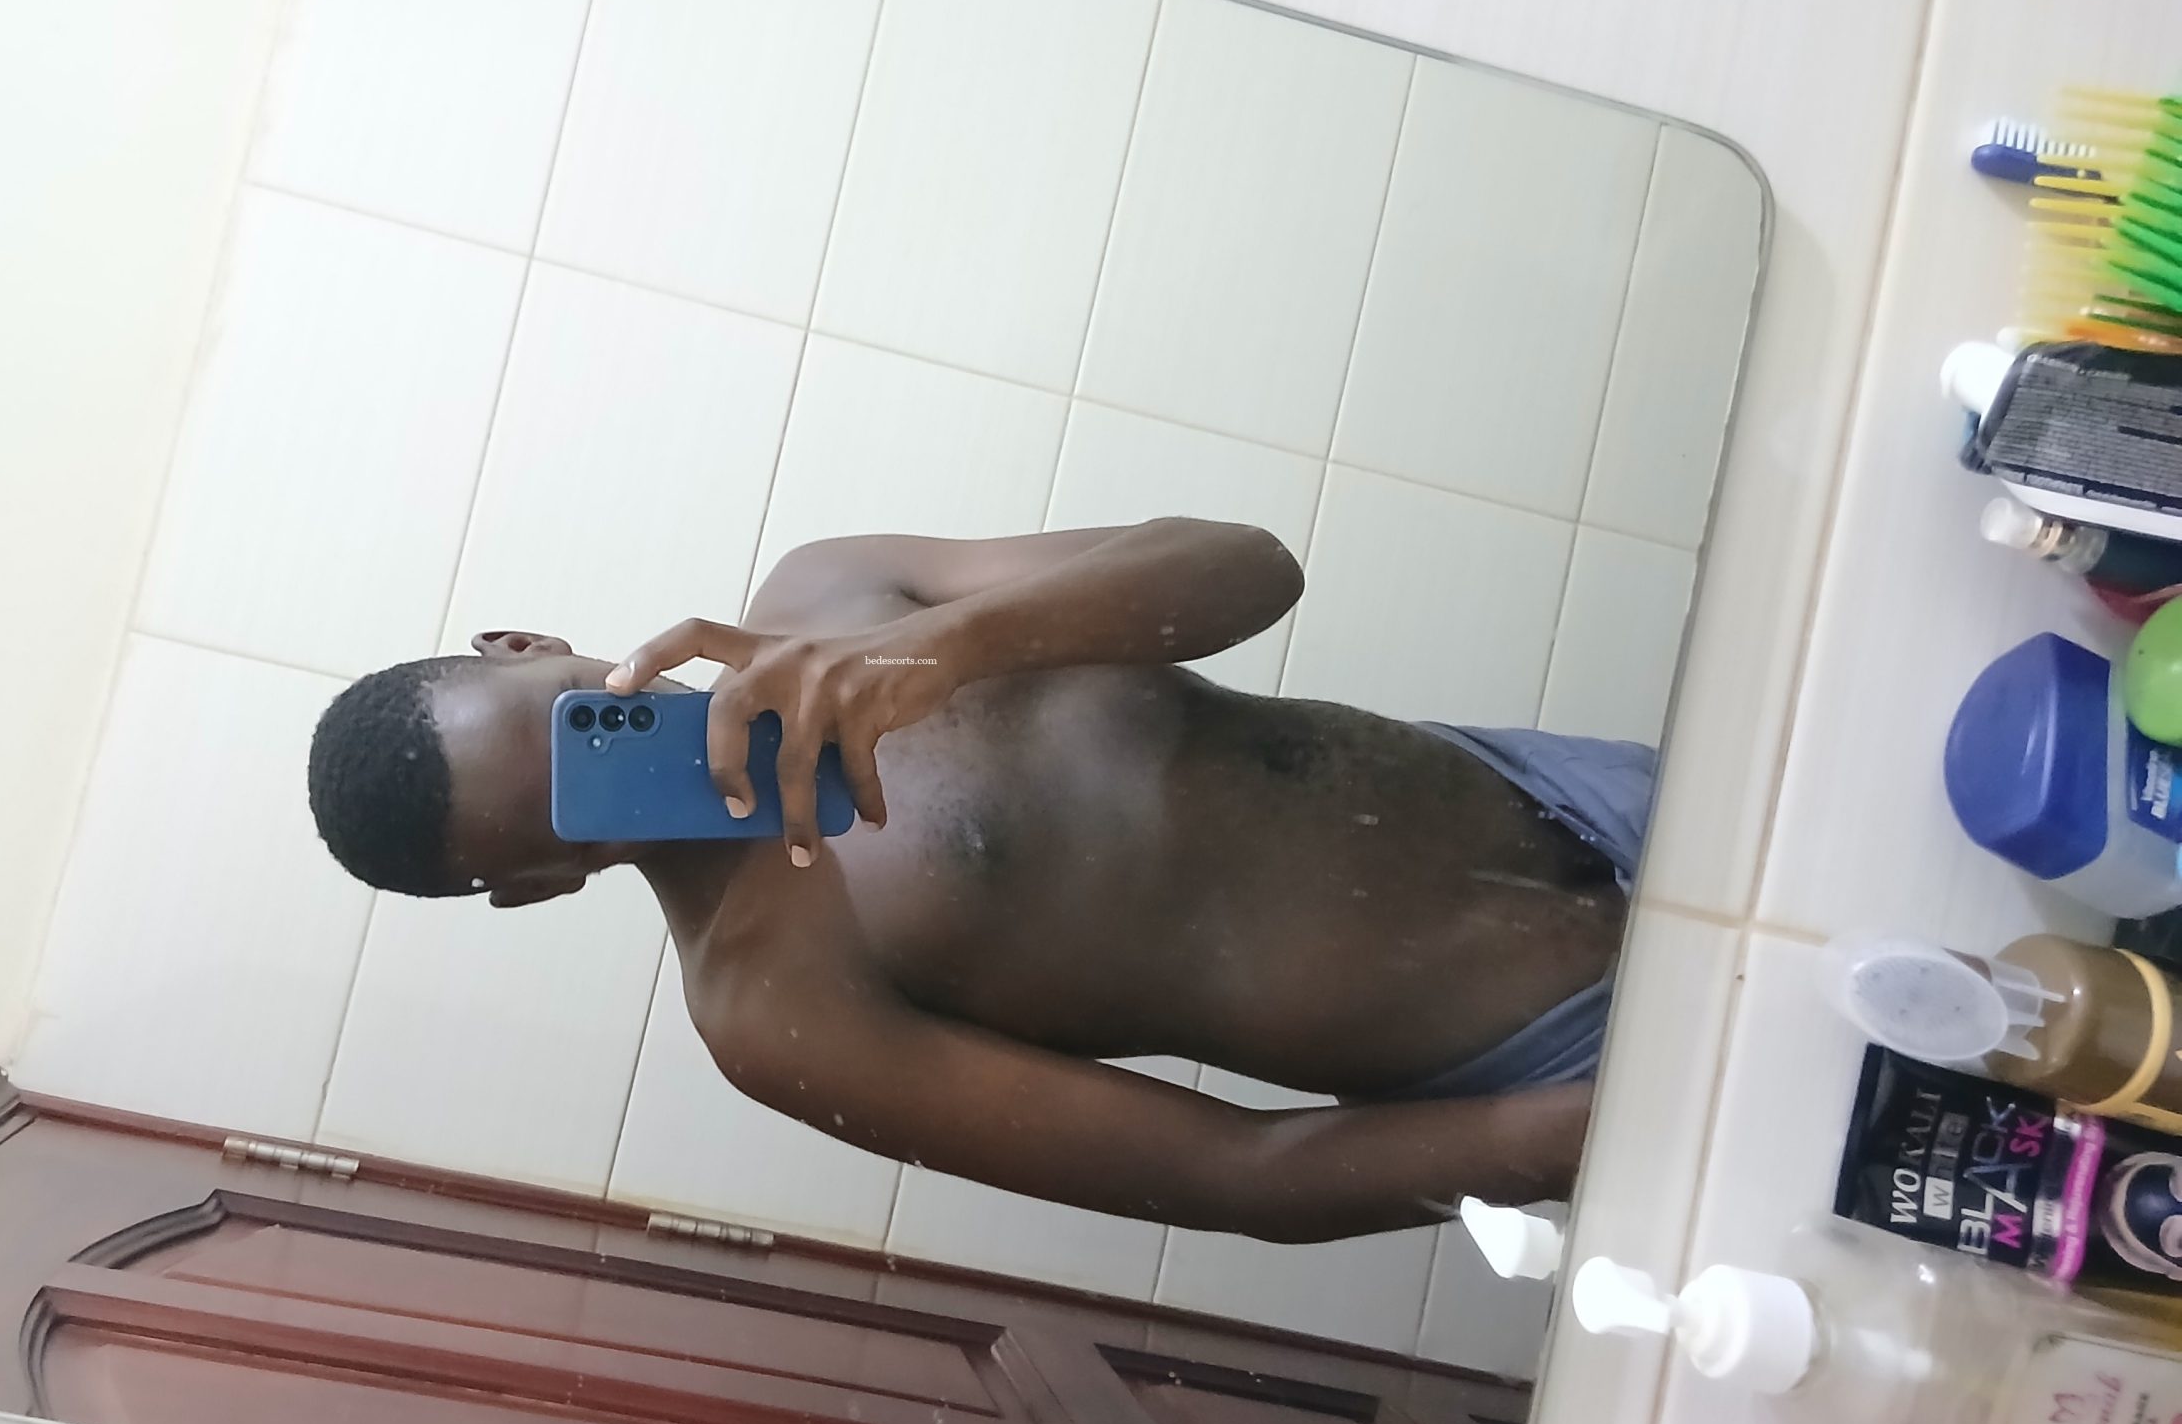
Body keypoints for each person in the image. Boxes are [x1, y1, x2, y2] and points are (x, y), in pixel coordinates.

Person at [305, 518, 1652, 1244]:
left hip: (1561, 791)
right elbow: (1237, 1176)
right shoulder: (774, 1008)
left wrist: (954, 646)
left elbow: (1254, 567)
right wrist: (1605, 1130)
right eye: (571, 817)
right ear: (544, 885)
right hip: (1549, 1052)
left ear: (529, 643)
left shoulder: (836, 588)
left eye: (578, 727)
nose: (620, 772)